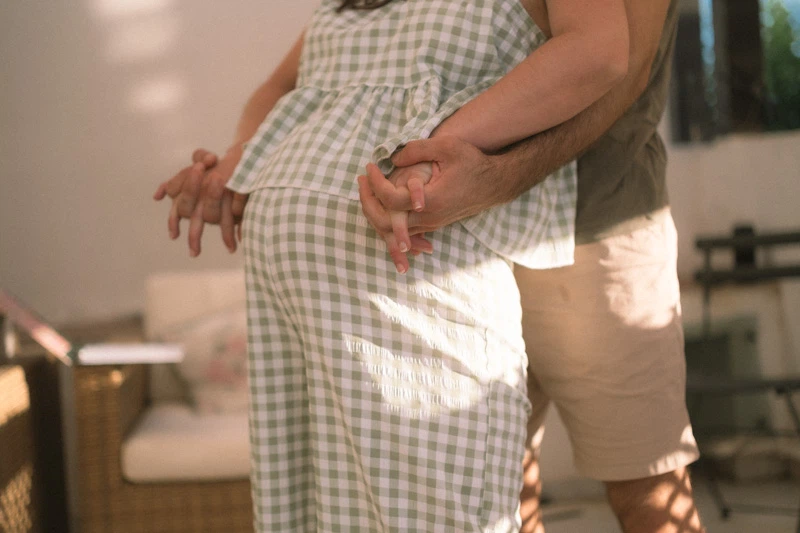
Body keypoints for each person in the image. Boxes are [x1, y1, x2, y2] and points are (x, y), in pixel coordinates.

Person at [154, 0, 631, 531]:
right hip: (291, 311)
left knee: (439, 514)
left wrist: (438, 144)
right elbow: (277, 88)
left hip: (417, 278)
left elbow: (599, 50)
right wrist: (240, 159)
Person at [358, 0, 708, 532]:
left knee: (649, 496)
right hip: (470, 245)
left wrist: (480, 175)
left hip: (599, 232)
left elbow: (625, 68)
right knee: (502, 493)